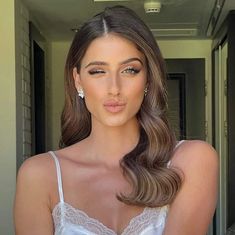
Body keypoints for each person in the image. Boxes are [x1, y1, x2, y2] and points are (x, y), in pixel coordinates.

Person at [14, 5, 218, 235]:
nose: (114, 89)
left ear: (148, 78)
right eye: (98, 71)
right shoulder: (40, 175)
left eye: (129, 70)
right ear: (78, 80)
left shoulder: (192, 161)